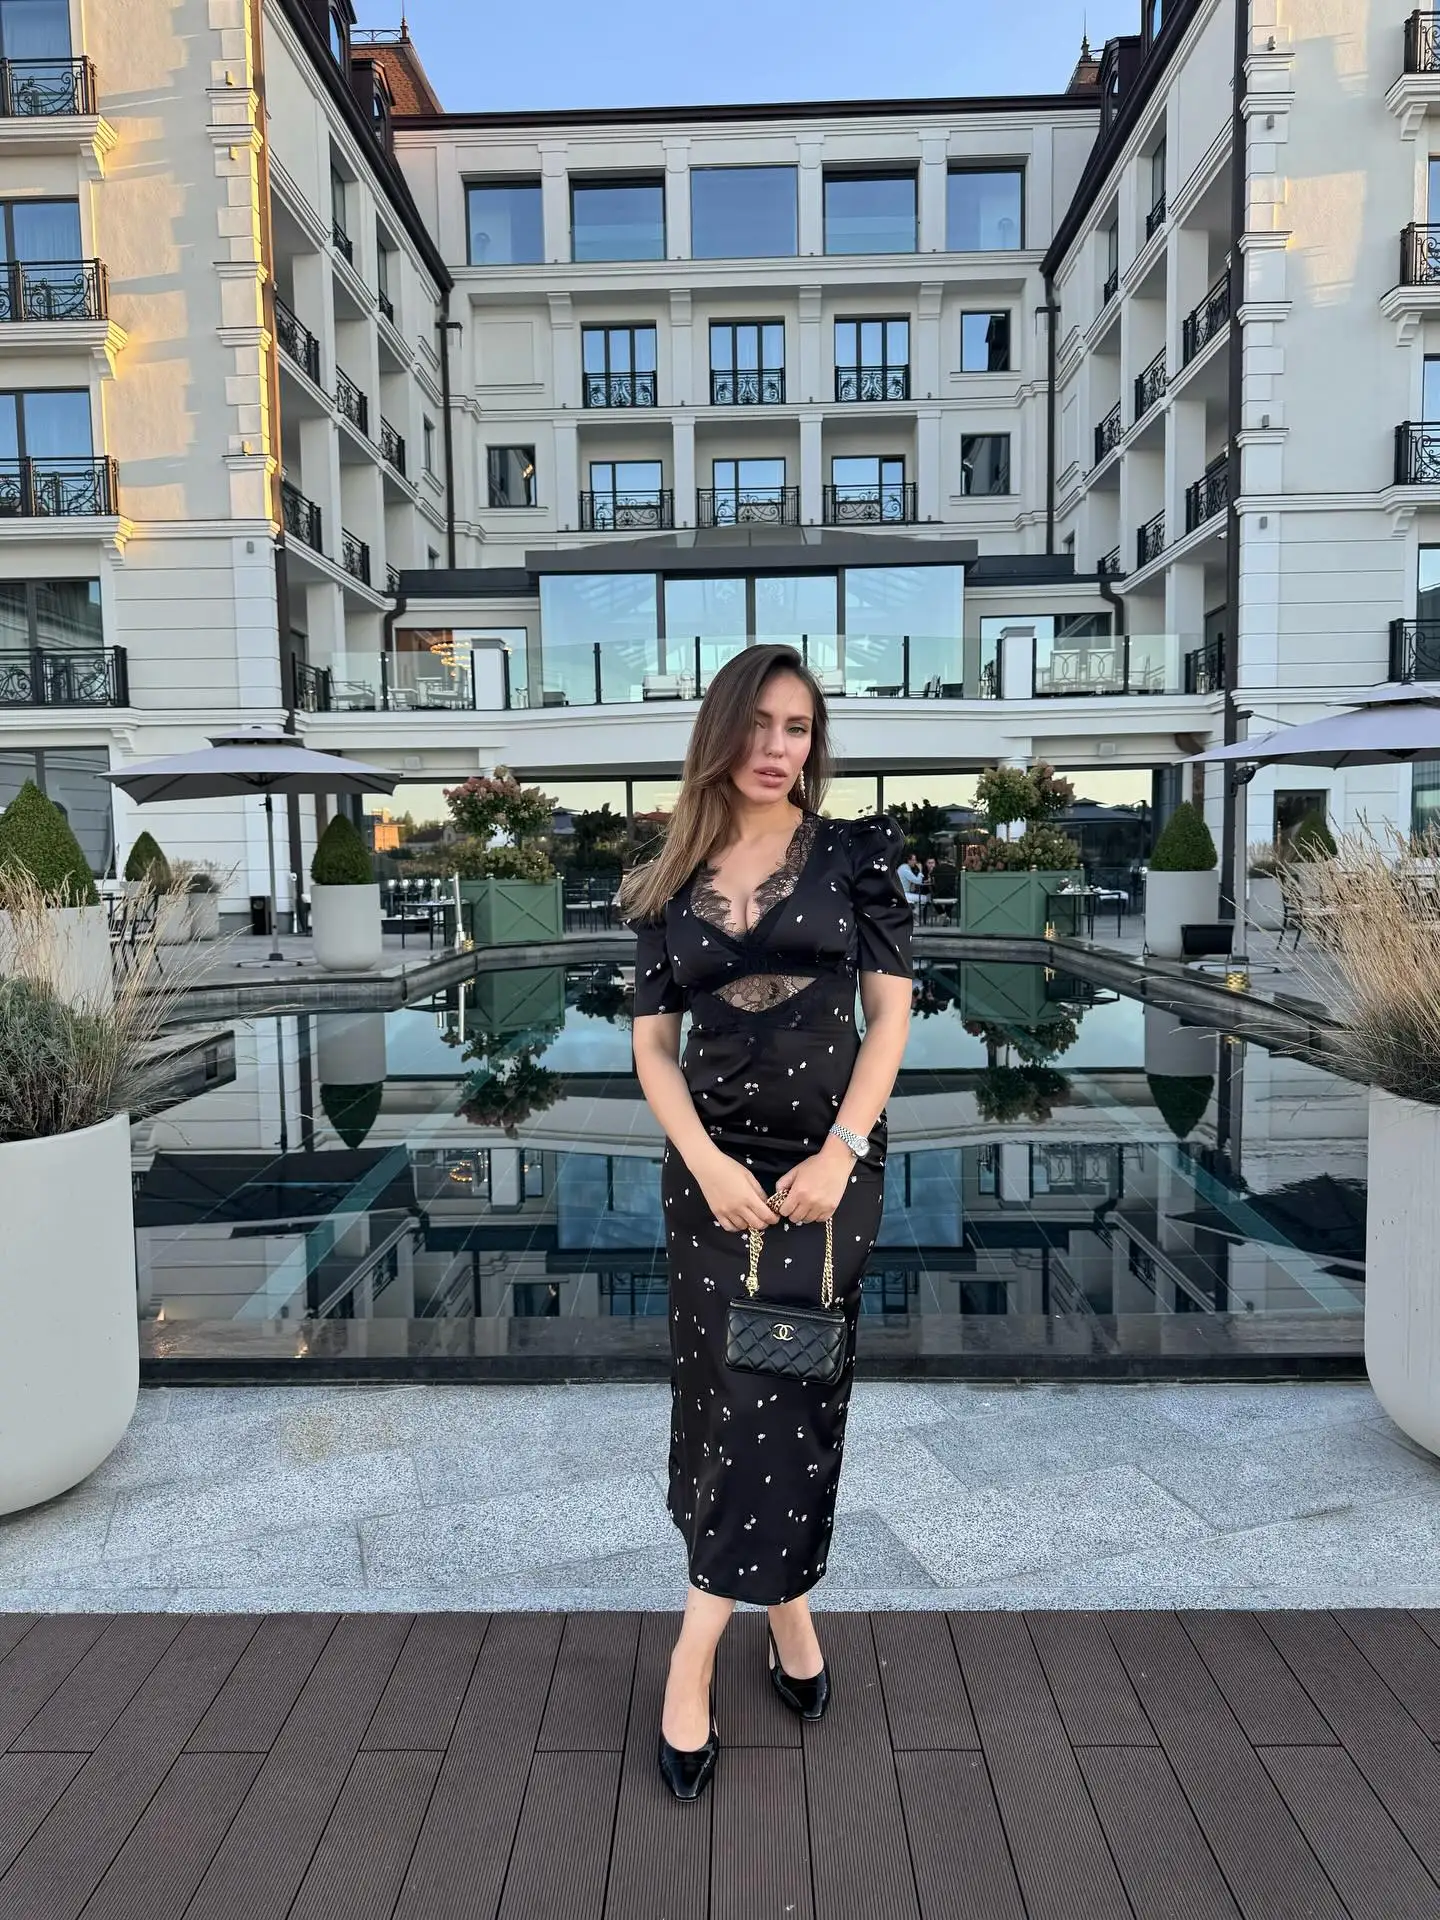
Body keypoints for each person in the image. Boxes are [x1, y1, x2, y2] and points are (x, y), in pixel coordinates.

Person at [621, 643, 913, 1801]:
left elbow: (890, 1022)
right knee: (723, 1395)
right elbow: (653, 1051)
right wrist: (704, 1162)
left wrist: (841, 1153)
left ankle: (691, 1660)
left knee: (776, 1387)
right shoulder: (661, 875)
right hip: (711, 1183)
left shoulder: (856, 858)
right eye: (758, 724)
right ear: (721, 733)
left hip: (826, 1182)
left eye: (797, 727)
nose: (777, 747)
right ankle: (788, 1614)